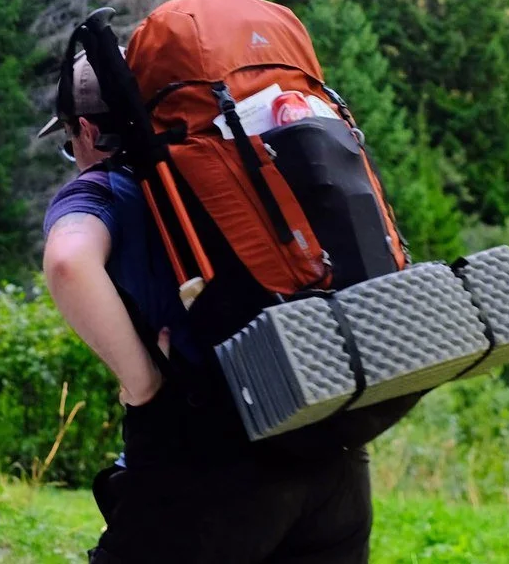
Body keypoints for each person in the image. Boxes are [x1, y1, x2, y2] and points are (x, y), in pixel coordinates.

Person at [41, 55, 375, 564]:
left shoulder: (105, 187)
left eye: (70, 143)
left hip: (209, 467)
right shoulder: (240, 169)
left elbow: (68, 262)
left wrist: (143, 385)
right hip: (330, 450)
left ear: (85, 129)